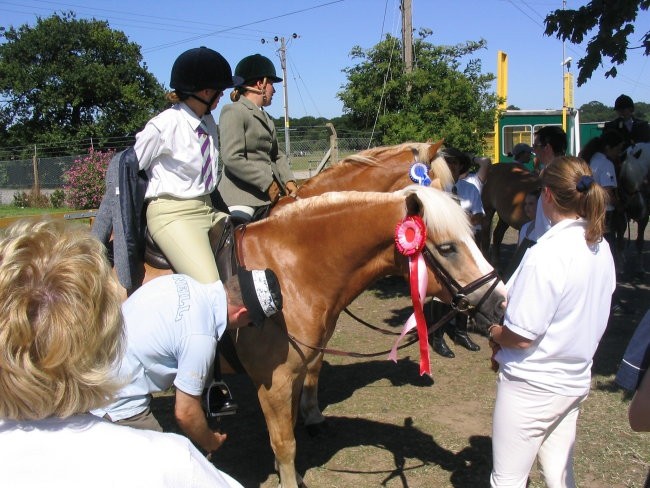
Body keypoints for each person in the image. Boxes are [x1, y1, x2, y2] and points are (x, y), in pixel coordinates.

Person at [0, 219, 243, 488]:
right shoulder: (171, 463)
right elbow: (185, 412)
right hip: (122, 404)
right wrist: (211, 441)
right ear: (107, 325)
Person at [488, 156, 616, 488]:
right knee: (560, 475)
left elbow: (522, 335)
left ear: (547, 195)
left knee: (507, 480)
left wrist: (494, 332)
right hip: (572, 381)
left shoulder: (546, 253)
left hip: (532, 385)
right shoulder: (600, 247)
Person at [93, 267, 283, 458]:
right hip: (115, 400)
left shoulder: (183, 282)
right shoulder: (201, 335)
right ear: (242, 313)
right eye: (250, 322)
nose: (247, 325)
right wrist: (211, 440)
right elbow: (185, 412)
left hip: (94, 367)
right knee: (166, 469)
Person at [135, 46, 242, 284]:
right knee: (211, 286)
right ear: (205, 92)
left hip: (206, 207)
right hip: (173, 214)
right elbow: (130, 168)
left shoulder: (208, 122)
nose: (222, 95)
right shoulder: (163, 125)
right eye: (219, 90)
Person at [218, 54, 298, 222]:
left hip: (270, 196)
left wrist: (289, 180)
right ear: (260, 83)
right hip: (242, 197)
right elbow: (232, 158)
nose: (274, 90)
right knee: (239, 236)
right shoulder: (233, 111)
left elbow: (277, 155)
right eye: (271, 84)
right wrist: (266, 182)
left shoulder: (267, 117)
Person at [427, 147, 484, 358]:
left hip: (468, 246)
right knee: (440, 293)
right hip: (446, 250)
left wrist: (460, 222)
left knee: (467, 289)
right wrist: (463, 220)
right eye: (447, 163)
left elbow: (480, 217)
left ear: (461, 167)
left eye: (455, 163)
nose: (451, 167)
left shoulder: (470, 190)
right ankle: (437, 336)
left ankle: (460, 331)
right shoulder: (434, 191)